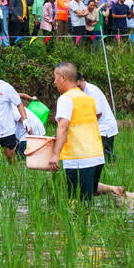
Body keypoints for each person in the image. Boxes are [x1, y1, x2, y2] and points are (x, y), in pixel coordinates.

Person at [48, 62, 106, 202]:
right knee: (86, 201)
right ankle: (87, 223)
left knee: (75, 202)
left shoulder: (66, 99)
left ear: (63, 78)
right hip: (97, 156)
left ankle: (78, 224)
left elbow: (63, 127)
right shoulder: (88, 99)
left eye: (55, 78)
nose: (54, 82)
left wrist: (56, 155)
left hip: (79, 159)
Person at [76, 73, 118, 161]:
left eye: (79, 86)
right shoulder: (80, 92)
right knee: (96, 156)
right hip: (96, 128)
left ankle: (115, 162)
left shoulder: (91, 91)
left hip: (104, 128)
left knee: (102, 157)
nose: (78, 88)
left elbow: (98, 113)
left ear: (83, 80)